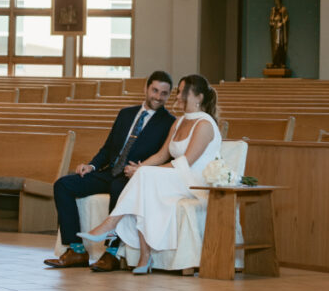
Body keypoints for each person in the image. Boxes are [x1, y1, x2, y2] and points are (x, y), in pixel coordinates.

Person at [77, 73, 221, 274]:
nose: (177, 97)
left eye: (181, 92)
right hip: (176, 178)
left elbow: (186, 162)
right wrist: (141, 168)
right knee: (143, 184)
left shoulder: (204, 124)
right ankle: (144, 258)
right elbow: (162, 154)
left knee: (144, 177)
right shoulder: (179, 122)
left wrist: (144, 171)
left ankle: (111, 224)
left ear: (198, 97)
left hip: (193, 181)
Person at [43, 70, 174, 271]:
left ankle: (111, 253)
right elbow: (107, 148)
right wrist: (92, 166)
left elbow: (166, 156)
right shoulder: (126, 114)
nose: (158, 96)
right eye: (155, 90)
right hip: (109, 171)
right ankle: (77, 250)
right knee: (63, 185)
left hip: (134, 176)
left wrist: (142, 169)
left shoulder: (169, 123)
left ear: (169, 95)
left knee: (118, 189)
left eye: (164, 93)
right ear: (146, 89)